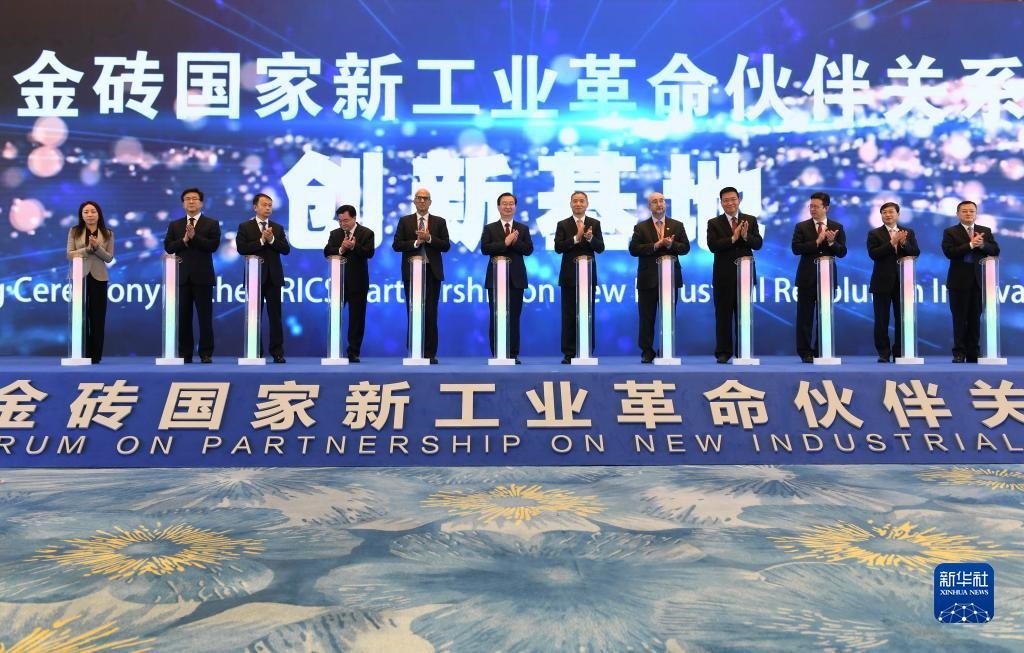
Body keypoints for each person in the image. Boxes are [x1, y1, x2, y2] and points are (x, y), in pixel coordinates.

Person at [628, 192, 689, 363]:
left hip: (670, 279)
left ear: (666, 204)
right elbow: (634, 249)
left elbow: (685, 248)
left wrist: (671, 244)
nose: (659, 204)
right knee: (646, 317)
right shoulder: (641, 227)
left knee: (668, 316)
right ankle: (647, 351)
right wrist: (655, 245)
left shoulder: (677, 225)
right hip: (648, 279)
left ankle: (666, 349)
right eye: (655, 202)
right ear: (649, 206)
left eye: (661, 201)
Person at [392, 188, 450, 363]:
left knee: (431, 313)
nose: (422, 201)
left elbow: (446, 245)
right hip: (412, 273)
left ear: (430, 202)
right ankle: (414, 351)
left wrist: (429, 237)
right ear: (414, 201)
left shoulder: (439, 222)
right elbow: (397, 245)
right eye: (419, 198)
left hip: (432, 272)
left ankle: (430, 353)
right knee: (413, 311)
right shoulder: (405, 221)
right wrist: (417, 242)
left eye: (425, 198)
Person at [706, 186, 763, 363]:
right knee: (723, 315)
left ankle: (742, 351)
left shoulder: (750, 220)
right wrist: (732, 238)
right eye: (726, 200)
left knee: (743, 315)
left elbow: (758, 244)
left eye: (733, 199)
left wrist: (745, 236)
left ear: (739, 200)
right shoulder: (714, 223)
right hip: (723, 276)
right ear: (721, 203)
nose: (730, 203)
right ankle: (723, 352)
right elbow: (713, 246)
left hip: (745, 276)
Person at [164, 188, 220, 363]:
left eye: (195, 199)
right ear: (183, 204)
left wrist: (194, 237)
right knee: (183, 318)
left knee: (205, 318)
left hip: (203, 277)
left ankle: (206, 353)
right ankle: (185, 353)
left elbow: (213, 246)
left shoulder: (211, 223)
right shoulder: (175, 225)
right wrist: (184, 240)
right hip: (182, 278)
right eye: (187, 199)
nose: (191, 201)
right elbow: (169, 247)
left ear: (201, 203)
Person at [791, 191, 847, 363]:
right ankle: (805, 352)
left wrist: (831, 242)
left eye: (816, 206)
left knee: (824, 316)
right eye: (811, 206)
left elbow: (842, 252)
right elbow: (796, 249)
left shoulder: (837, 227)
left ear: (826, 208)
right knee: (805, 318)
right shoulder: (802, 227)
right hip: (807, 278)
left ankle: (821, 350)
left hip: (827, 279)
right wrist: (817, 241)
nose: (812, 209)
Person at [235, 193, 291, 363]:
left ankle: (277, 352)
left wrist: (272, 239)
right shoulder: (245, 227)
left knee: (275, 317)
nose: (268, 208)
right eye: (264, 205)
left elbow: (286, 249)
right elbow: (242, 249)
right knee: (254, 316)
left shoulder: (277, 228)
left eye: (270, 205)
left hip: (273, 278)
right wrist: (261, 241)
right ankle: (255, 351)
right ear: (255, 207)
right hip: (254, 278)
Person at [942, 200, 999, 363]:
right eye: (964, 211)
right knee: (959, 319)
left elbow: (995, 250)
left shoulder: (985, 231)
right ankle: (959, 352)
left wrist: (983, 245)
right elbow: (949, 252)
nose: (968, 214)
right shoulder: (950, 232)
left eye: (971, 211)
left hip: (979, 282)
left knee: (975, 318)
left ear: (976, 213)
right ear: (958, 214)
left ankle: (973, 352)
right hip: (958, 282)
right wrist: (970, 245)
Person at [481, 192, 534, 363]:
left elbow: (528, 250)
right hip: (495, 280)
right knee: (496, 316)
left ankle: (512, 354)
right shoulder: (490, 228)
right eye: (504, 203)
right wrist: (505, 242)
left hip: (516, 279)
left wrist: (514, 241)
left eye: (511, 203)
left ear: (515, 207)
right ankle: (497, 352)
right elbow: (485, 249)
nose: (508, 206)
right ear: (498, 207)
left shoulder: (522, 228)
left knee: (513, 317)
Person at [554, 191, 605, 364]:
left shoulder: (594, 223)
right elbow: (558, 247)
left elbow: (600, 248)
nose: (578, 204)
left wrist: (591, 239)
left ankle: (587, 350)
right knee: (569, 315)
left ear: (587, 204)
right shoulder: (563, 224)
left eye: (581, 201)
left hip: (588, 277)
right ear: (570, 204)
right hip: (569, 276)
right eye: (575, 201)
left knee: (587, 313)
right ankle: (569, 353)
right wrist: (576, 238)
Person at [867, 201, 920, 363]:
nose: (888, 215)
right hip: (881, 282)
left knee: (902, 319)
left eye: (891, 212)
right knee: (881, 320)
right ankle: (883, 353)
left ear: (898, 214)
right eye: (884, 212)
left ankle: (900, 351)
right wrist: (892, 243)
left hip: (903, 283)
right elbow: (874, 254)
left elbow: (915, 252)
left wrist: (903, 242)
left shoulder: (908, 232)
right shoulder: (874, 233)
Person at [323, 204, 374, 362]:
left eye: (345, 220)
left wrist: (354, 246)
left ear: (354, 218)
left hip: (358, 282)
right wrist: (341, 249)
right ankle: (334, 350)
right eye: (340, 221)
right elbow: (327, 251)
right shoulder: (335, 234)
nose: (342, 224)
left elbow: (369, 253)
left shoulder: (366, 233)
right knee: (335, 316)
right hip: (338, 283)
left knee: (357, 319)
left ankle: (353, 351)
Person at [66, 201, 113, 364]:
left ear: (99, 214)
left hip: (99, 277)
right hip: (79, 277)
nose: (90, 215)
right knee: (80, 315)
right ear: (81, 215)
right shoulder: (74, 231)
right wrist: (87, 249)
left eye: (93, 211)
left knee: (98, 316)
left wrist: (97, 247)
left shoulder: (107, 233)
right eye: (86, 212)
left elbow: (109, 258)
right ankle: (81, 352)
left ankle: (95, 355)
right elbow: (70, 254)